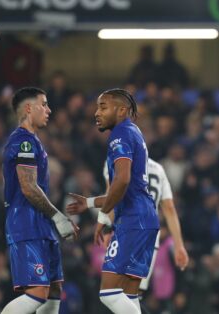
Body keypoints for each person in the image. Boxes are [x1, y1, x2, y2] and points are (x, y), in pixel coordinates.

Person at [65, 88, 158, 314]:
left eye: (103, 107)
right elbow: (124, 189)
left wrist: (103, 215)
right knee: (128, 295)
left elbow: (122, 181)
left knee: (108, 293)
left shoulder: (121, 134)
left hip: (133, 220)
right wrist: (88, 203)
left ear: (122, 110)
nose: (97, 112)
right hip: (145, 217)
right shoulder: (133, 132)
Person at [66, 157, 190, 312]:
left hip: (128, 230)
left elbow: (113, 196)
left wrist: (107, 227)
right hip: (151, 238)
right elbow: (170, 209)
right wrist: (179, 246)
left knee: (112, 292)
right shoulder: (159, 169)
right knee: (134, 295)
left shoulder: (118, 162)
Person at [1, 87, 79, 314]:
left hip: (41, 224)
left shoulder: (34, 142)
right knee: (38, 293)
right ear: (28, 108)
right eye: (43, 104)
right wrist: (58, 217)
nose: (49, 109)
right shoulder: (22, 142)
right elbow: (28, 187)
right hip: (25, 223)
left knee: (54, 289)